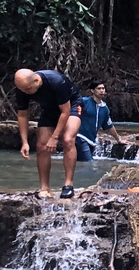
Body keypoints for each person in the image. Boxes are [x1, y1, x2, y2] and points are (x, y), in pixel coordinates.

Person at [13, 67, 80, 199]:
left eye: (28, 89)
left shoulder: (56, 81)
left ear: (37, 80)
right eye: (23, 90)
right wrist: (25, 142)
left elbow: (65, 112)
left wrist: (54, 137)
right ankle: (44, 188)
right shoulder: (22, 88)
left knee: (67, 139)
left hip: (71, 106)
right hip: (49, 109)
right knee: (41, 146)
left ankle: (68, 184)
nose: (27, 93)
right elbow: (22, 115)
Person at [74, 80, 128, 162]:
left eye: (103, 88)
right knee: (89, 163)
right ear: (92, 91)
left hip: (91, 140)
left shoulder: (104, 108)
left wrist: (118, 140)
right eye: (99, 88)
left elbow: (109, 126)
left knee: (80, 163)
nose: (102, 90)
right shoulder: (84, 102)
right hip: (80, 137)